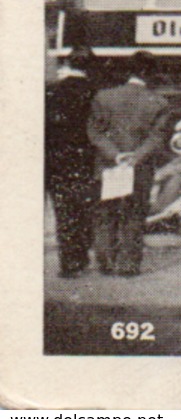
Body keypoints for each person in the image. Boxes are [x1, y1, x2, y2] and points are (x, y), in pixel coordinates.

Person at [87, 54, 171, 276]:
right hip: (139, 166)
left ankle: (105, 260)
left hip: (109, 165)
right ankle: (129, 264)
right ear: (149, 74)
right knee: (134, 214)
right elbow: (156, 137)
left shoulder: (104, 97)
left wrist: (115, 155)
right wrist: (136, 156)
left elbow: (95, 132)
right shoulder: (159, 102)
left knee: (106, 212)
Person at [45, 48, 101, 277]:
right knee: (86, 208)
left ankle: (69, 262)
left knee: (64, 211)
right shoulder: (96, 93)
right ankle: (83, 253)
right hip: (87, 159)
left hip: (57, 160)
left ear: (67, 63)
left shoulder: (51, 92)